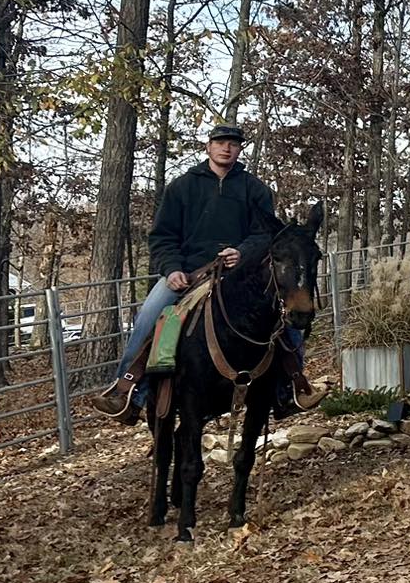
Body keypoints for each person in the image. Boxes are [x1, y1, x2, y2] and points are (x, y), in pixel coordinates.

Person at [88, 122, 300, 421]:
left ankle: (290, 388)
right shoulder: (182, 187)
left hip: (241, 273)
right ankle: (129, 392)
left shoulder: (255, 189)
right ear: (209, 146)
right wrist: (172, 269)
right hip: (189, 273)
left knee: (287, 315)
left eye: (233, 143)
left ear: (240, 150)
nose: (227, 148)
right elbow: (162, 237)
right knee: (149, 316)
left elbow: (265, 234)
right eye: (221, 142)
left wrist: (242, 252)